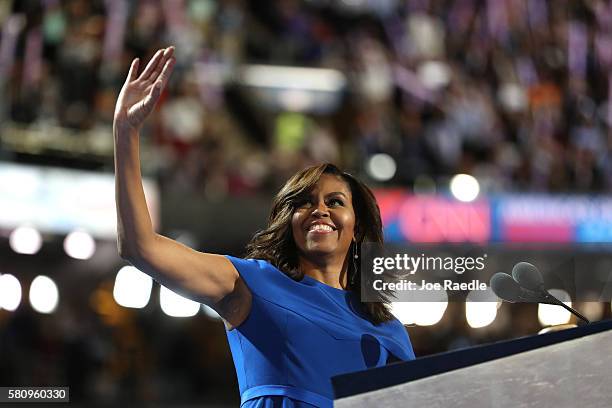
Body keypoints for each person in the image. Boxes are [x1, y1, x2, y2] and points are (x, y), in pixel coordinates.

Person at [113, 46, 415, 408]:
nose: (319, 210)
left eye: (334, 202)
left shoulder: (388, 331)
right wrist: (125, 133)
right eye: (304, 202)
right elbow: (140, 246)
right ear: (289, 222)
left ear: (357, 227)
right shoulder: (251, 283)